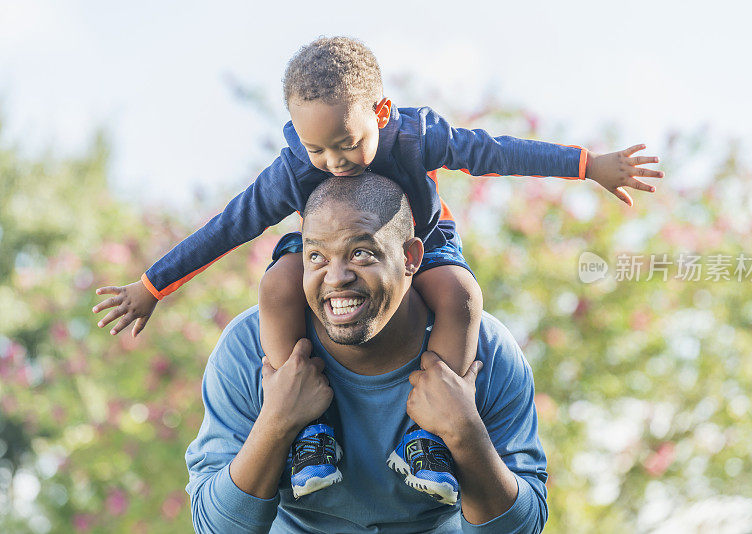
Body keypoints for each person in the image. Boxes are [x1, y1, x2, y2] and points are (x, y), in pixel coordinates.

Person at [95, 36, 662, 501]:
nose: (334, 164)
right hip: (325, 246)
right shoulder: (295, 168)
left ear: (381, 113)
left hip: (423, 242)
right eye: (319, 151)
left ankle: (428, 441)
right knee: (275, 285)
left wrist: (589, 165)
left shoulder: (417, 138)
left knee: (461, 295)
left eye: (347, 144)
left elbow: (497, 152)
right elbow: (229, 226)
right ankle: (307, 432)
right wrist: (152, 286)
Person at [186, 173, 549, 533]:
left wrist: (465, 434)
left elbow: (525, 526)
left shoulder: (484, 351)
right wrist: (277, 422)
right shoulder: (250, 348)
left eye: (361, 253)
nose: (336, 277)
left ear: (410, 257)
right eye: (316, 256)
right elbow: (215, 527)